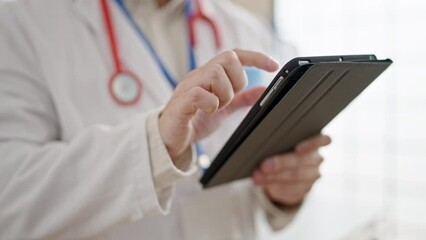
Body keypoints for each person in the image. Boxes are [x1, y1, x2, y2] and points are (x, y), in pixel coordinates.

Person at [0, 0, 331, 239]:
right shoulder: (23, 21)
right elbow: (9, 199)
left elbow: (254, 176)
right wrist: (157, 143)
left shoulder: (243, 27)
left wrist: (283, 189)